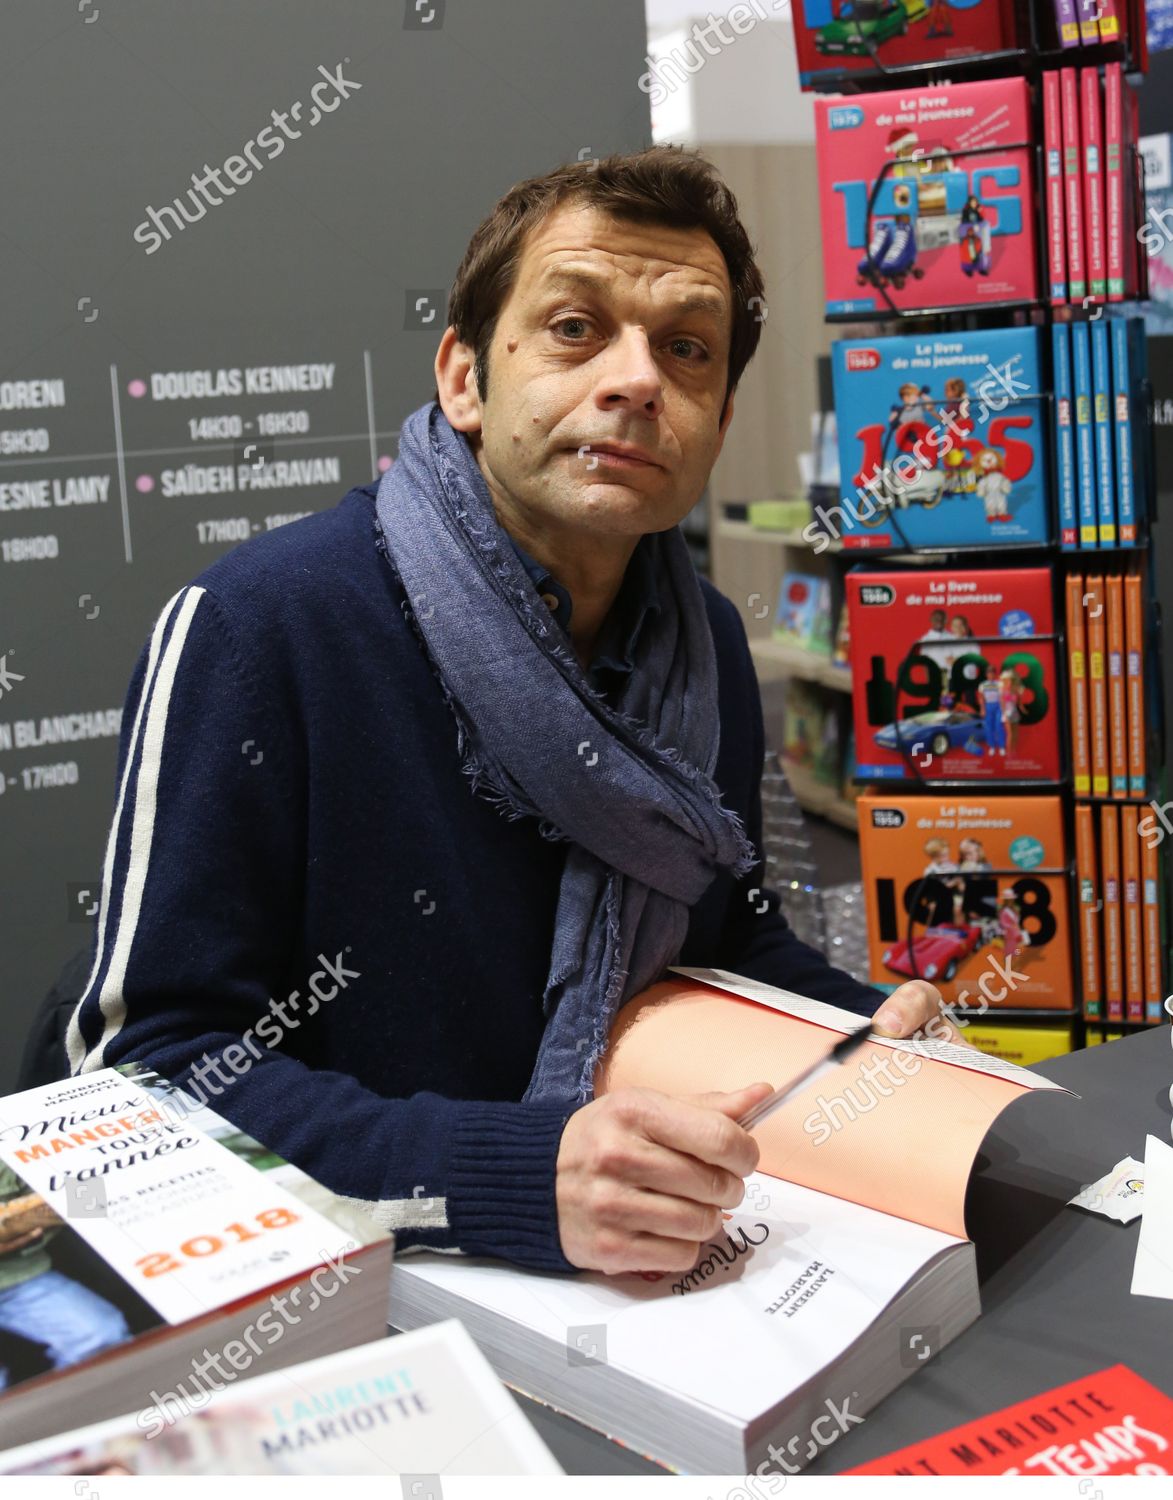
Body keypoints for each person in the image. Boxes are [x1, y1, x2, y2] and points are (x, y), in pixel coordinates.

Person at [64, 146, 963, 1280]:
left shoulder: (706, 645)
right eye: (576, 328)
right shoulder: (260, 625)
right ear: (464, 379)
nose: (638, 381)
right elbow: (143, 1073)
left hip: (653, 1270)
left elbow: (724, 932)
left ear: (719, 419)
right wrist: (508, 1173)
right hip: (346, 1300)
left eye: (686, 349)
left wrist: (865, 1037)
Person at [0, 1166, 131, 1390]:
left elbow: (87, 1200)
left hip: (16, 1276)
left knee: (100, 1335)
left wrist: (26, 1230)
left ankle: (85, 1417)